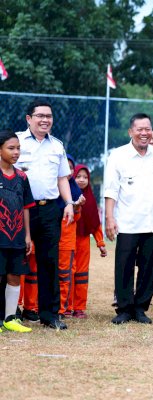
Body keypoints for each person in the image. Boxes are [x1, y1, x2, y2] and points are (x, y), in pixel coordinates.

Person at [104, 113, 153, 325]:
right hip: (127, 221)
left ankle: (140, 307)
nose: (144, 134)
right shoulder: (118, 155)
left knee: (149, 266)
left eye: (148, 129)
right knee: (124, 265)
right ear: (131, 132)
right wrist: (109, 218)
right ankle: (124, 308)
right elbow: (111, 190)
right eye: (139, 129)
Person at [16, 100, 75, 330]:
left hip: (50, 209)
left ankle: (49, 315)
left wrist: (69, 203)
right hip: (20, 209)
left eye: (48, 116)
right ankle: (9, 313)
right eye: (39, 115)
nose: (45, 120)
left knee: (49, 261)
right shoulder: (16, 142)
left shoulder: (57, 146)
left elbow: (62, 178)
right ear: (28, 118)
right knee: (13, 259)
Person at [0, 129, 35, 333]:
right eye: (11, 148)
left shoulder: (22, 177)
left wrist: (28, 235)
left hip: (17, 237)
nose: (16, 152)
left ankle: (10, 318)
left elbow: (26, 207)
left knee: (14, 276)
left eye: (18, 148)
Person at [72, 164, 106, 318]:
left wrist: (101, 244)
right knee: (67, 274)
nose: (81, 180)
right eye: (78, 176)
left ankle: (79, 307)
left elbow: (95, 224)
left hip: (83, 242)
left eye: (85, 177)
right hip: (67, 241)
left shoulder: (90, 199)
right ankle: (66, 306)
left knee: (81, 275)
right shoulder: (67, 196)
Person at [57, 156, 85, 318]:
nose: (67, 171)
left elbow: (78, 219)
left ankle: (61, 309)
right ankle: (36, 307)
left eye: (70, 168)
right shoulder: (50, 190)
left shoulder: (75, 192)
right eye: (64, 167)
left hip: (67, 240)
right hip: (50, 237)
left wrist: (77, 207)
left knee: (65, 275)